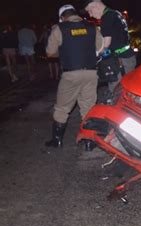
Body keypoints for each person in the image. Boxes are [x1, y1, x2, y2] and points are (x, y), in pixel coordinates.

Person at [44, 4, 103, 149]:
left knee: (62, 108)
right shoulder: (92, 27)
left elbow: (50, 53)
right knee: (88, 108)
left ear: (62, 17)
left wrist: (65, 52)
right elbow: (100, 48)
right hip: (91, 73)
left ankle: (57, 141)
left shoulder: (60, 28)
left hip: (71, 74)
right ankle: (89, 143)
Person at [84, 0, 136, 93]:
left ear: (95, 5)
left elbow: (106, 43)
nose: (90, 15)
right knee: (129, 89)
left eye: (89, 11)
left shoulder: (107, 17)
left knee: (117, 91)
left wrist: (93, 54)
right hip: (128, 56)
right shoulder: (116, 13)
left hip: (120, 61)